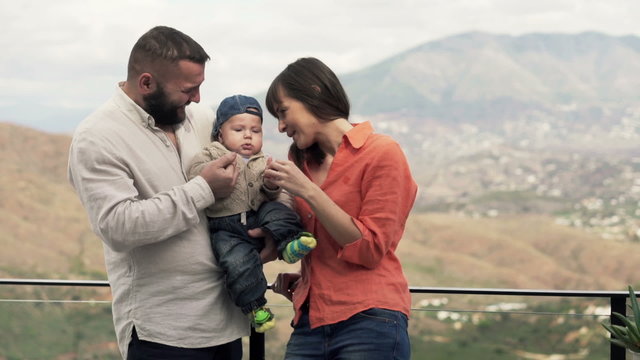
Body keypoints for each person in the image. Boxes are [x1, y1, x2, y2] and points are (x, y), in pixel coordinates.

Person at [67, 26, 257, 359]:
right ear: (146, 83)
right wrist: (202, 189)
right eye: (188, 89)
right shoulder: (97, 136)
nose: (197, 98)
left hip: (227, 322)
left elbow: (240, 182)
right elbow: (118, 226)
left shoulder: (200, 118)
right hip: (163, 333)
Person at [263, 57, 417, 360]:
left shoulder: (382, 153)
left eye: (283, 112)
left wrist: (307, 191)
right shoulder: (302, 164)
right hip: (310, 322)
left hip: (370, 320)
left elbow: (370, 248)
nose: (280, 127)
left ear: (313, 91)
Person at [187, 94, 317, 333]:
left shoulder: (262, 161)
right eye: (238, 129)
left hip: (258, 214)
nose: (248, 135)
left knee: (278, 211)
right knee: (237, 265)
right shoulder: (211, 155)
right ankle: (255, 307)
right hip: (226, 228)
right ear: (220, 134)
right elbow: (194, 174)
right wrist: (210, 174)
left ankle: (289, 243)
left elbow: (271, 193)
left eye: (255, 131)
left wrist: (271, 184)